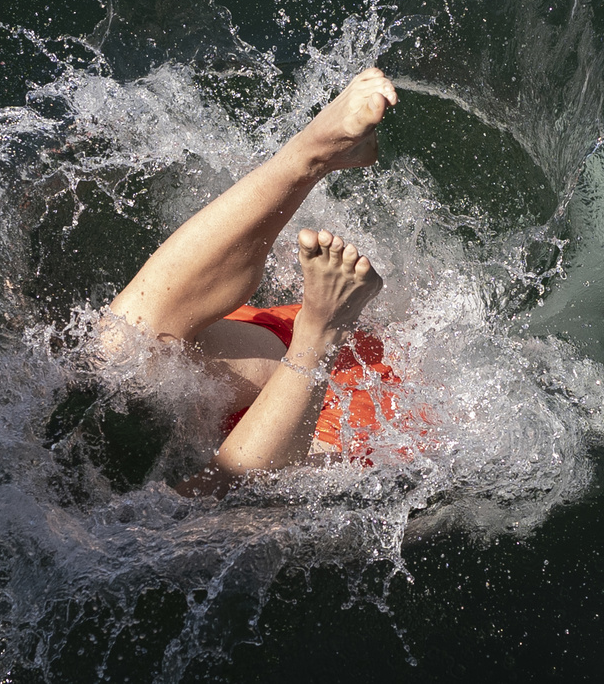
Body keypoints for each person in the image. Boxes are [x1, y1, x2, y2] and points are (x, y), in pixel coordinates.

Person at [99, 67, 399, 496]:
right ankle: (322, 330)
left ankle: (309, 157)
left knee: (117, 348)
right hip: (362, 434)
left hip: (287, 362)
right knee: (213, 509)